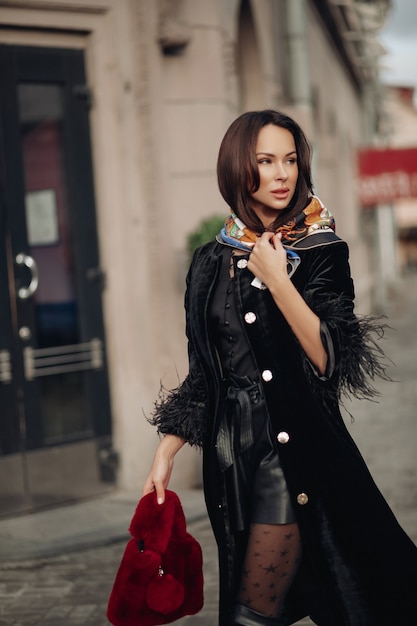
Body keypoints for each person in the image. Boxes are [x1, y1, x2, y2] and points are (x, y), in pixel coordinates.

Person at [143, 110, 417, 626]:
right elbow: (206, 372)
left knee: (253, 614)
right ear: (236, 167)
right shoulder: (209, 260)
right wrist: (166, 451)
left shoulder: (320, 250)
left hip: (293, 457)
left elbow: (331, 358)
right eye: (265, 161)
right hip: (233, 466)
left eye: (290, 160)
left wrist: (278, 278)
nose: (282, 174)